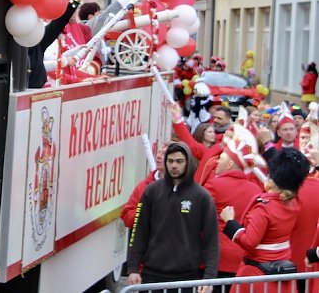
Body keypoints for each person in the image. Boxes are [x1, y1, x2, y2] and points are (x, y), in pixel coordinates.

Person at [126, 141, 219, 293]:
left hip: (187, 278)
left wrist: (209, 277)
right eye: (170, 161)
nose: (174, 166)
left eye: (179, 161)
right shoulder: (152, 191)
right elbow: (139, 232)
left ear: (188, 163)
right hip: (152, 276)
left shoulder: (202, 197)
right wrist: (133, 268)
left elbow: (211, 241)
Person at [221, 147, 309, 292]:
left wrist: (230, 222)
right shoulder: (295, 203)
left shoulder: (264, 208)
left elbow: (249, 242)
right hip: (281, 276)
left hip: (256, 276)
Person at [202, 124, 266, 284]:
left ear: (230, 164)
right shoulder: (256, 190)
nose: (216, 162)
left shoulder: (214, 186)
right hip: (241, 260)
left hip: (214, 259)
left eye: (221, 158)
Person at [27, 0, 81, 89]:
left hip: (38, 91)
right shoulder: (14, 42)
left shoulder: (39, 39)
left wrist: (75, 1)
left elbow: (58, 23)